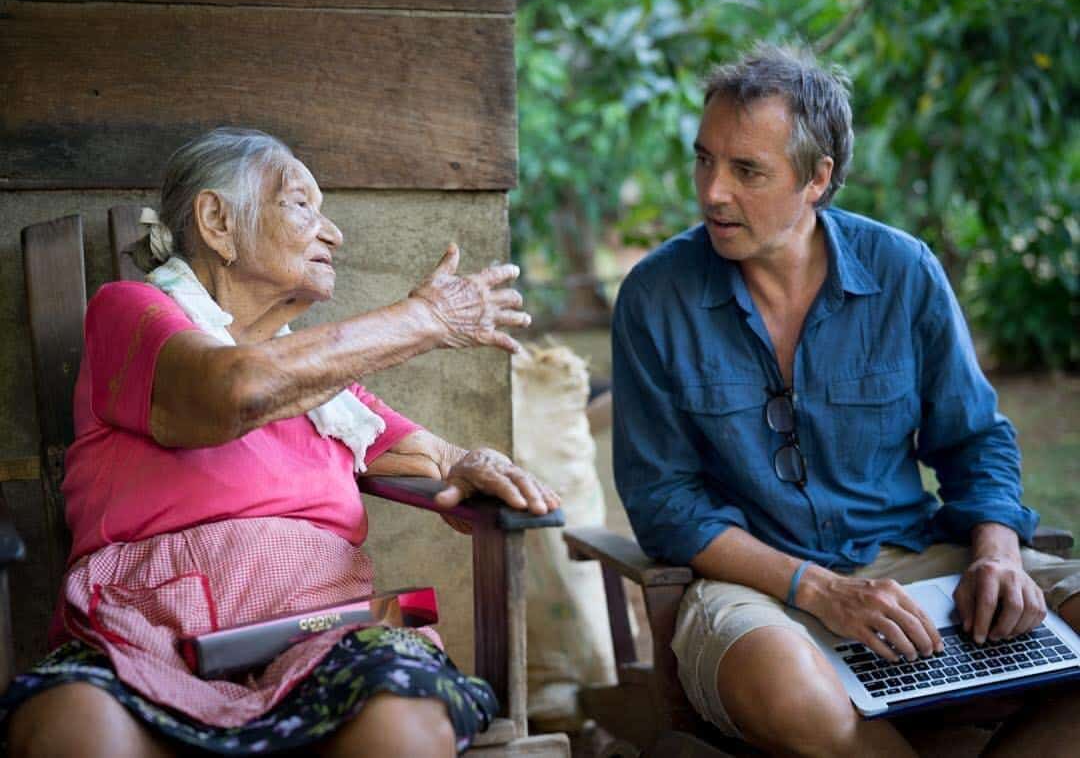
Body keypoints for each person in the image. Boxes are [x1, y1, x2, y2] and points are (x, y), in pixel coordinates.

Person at [1, 127, 560, 758]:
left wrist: (476, 462)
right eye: (301, 204)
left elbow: (438, 460)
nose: (333, 233)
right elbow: (234, 391)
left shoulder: (331, 396)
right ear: (217, 221)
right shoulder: (131, 312)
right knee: (74, 726)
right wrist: (422, 319)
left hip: (320, 636)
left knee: (400, 719)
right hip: (146, 637)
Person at [611, 43, 1080, 756]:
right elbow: (666, 505)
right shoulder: (655, 295)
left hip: (918, 562)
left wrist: (997, 553)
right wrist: (820, 592)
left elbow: (975, 440)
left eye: (747, 171)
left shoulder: (905, 271)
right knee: (791, 692)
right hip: (755, 591)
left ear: (817, 178)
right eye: (704, 159)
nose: (712, 192)